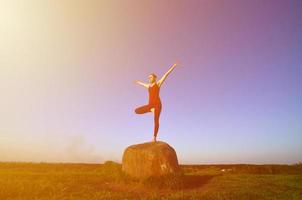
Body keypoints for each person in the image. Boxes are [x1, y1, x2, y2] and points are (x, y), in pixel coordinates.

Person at [134, 62, 179, 142]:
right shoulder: (148, 86)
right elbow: (143, 84)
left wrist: (173, 67)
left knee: (156, 120)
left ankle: (154, 137)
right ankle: (151, 110)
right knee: (136, 111)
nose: (149, 79)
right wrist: (138, 82)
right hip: (150, 105)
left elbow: (166, 75)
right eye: (148, 78)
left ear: (154, 78)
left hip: (157, 105)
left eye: (150, 77)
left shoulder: (158, 84)